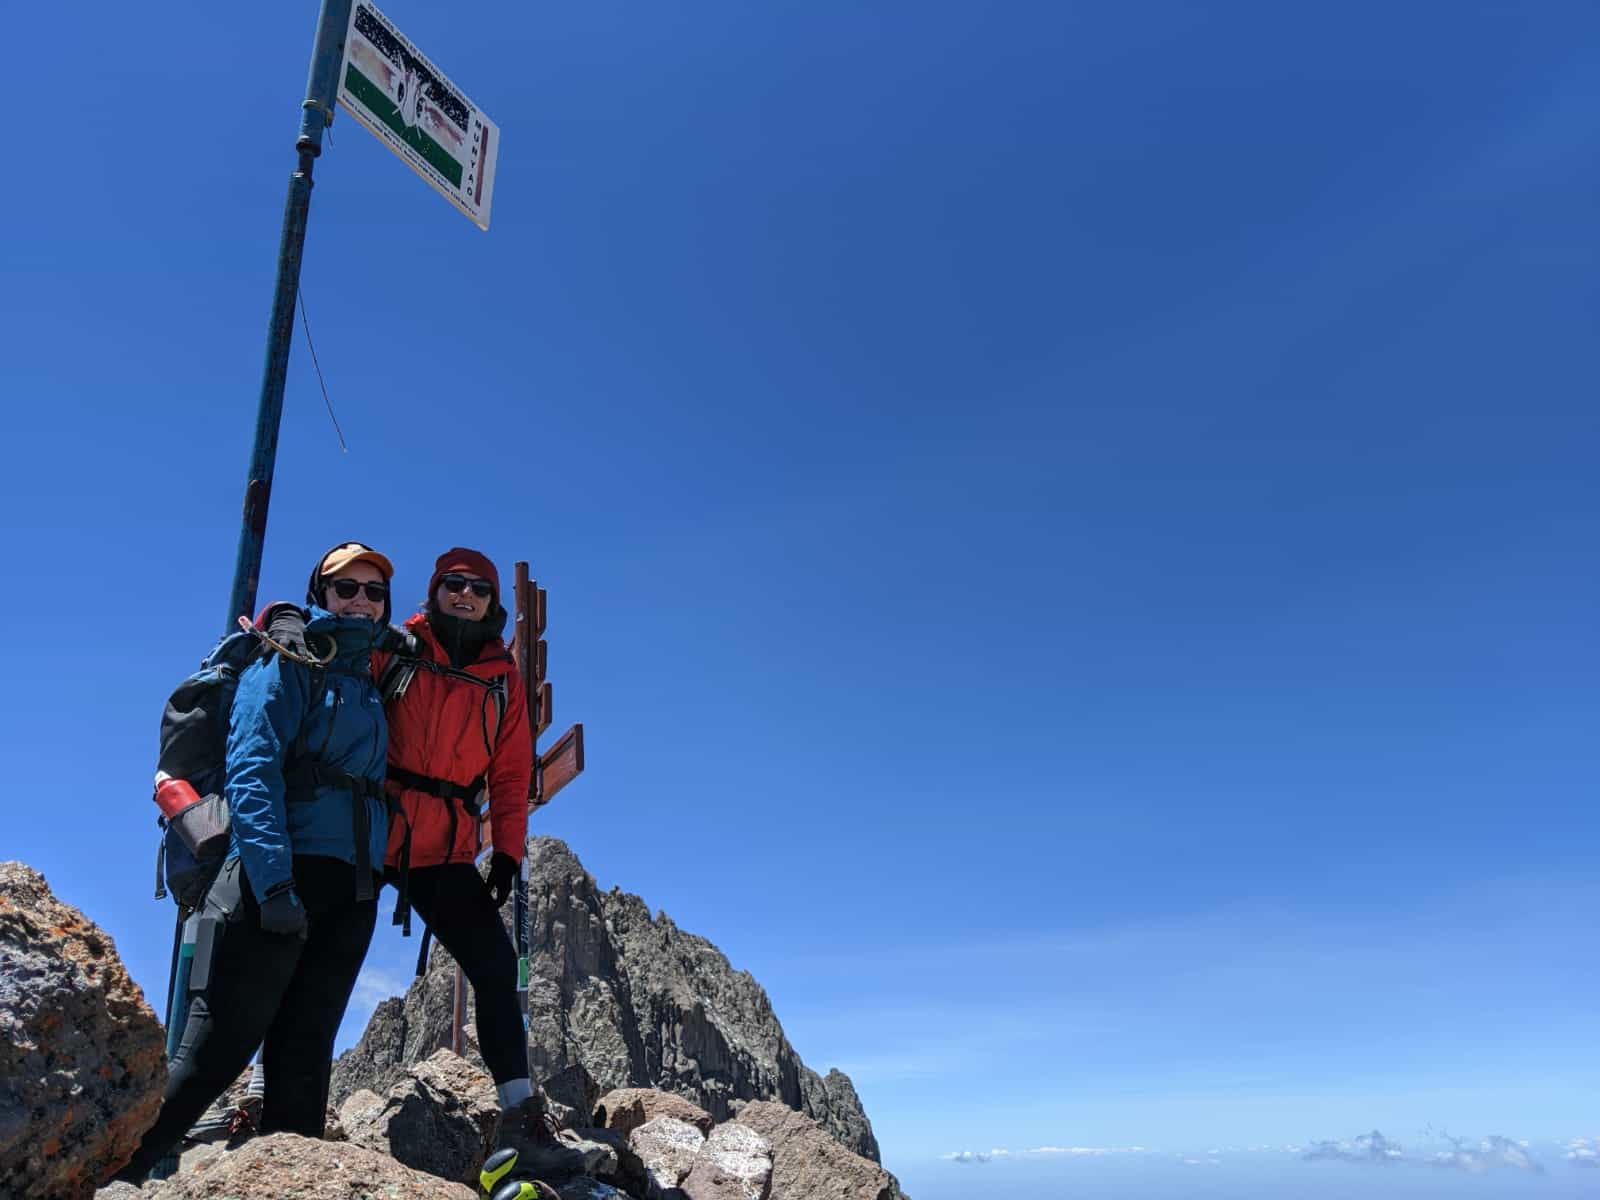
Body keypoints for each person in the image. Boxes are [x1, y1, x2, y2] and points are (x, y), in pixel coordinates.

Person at [117, 543, 395, 1182]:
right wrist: (273, 885)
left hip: (351, 893)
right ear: (321, 595)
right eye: (346, 588)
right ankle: (103, 1178)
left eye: (374, 591)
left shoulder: (370, 681)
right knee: (211, 1057)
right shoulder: (285, 659)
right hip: (273, 881)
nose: (360, 600)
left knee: (304, 1061)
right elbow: (251, 770)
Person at [374, 547, 587, 1181]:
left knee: (495, 968)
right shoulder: (396, 647)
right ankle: (267, 1098)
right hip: (371, 828)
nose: (464, 594)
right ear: (435, 590)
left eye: (478, 588)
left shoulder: (502, 678)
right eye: (453, 584)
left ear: (493, 601)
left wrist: (509, 852)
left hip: (444, 849)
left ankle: (520, 1120)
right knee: (318, 960)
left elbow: (512, 772)